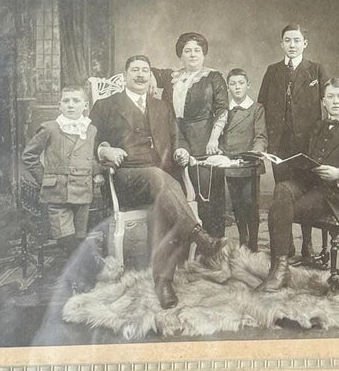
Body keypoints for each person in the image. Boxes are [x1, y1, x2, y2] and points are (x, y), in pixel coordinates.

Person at [91, 54, 221, 309]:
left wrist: (181, 151)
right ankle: (199, 235)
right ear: (125, 75)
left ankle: (163, 282)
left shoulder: (162, 106)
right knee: (160, 180)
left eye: (145, 71)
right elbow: (93, 142)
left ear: (150, 76)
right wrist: (104, 151)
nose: (140, 75)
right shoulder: (106, 105)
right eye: (135, 70)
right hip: (127, 176)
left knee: (163, 194)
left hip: (160, 178)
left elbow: (177, 138)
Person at [262, 77, 339, 291]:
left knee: (279, 211)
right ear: (323, 101)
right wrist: (291, 164)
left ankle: (279, 267)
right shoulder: (317, 127)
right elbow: (309, 162)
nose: (335, 101)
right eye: (331, 97)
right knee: (282, 190)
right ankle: (280, 266)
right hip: (314, 186)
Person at [157, 32, 228, 250]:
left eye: (197, 50)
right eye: (187, 51)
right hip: (175, 138)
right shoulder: (173, 78)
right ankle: (183, 247)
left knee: (206, 197)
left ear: (204, 53)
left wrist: (214, 139)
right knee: (178, 194)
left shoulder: (213, 77)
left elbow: (222, 109)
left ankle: (212, 247)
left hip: (204, 139)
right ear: (181, 54)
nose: (192, 54)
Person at [21, 84, 98, 250]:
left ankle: (80, 274)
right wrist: (45, 179)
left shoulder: (90, 130)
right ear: (60, 105)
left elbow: (90, 158)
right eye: (66, 101)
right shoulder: (50, 128)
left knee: (79, 240)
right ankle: (89, 269)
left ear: (85, 105)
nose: (70, 105)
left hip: (82, 192)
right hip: (56, 192)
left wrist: (99, 172)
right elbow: (29, 155)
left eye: (76, 101)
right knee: (66, 239)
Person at [257, 24, 328, 159]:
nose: (292, 45)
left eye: (297, 40)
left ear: (305, 43)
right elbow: (261, 104)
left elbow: (329, 101)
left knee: (306, 179)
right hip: (278, 141)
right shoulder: (272, 71)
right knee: (281, 180)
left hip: (308, 140)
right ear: (282, 44)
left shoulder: (316, 70)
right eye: (287, 40)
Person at [219, 67, 267, 250]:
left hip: (250, 164)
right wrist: (222, 154)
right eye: (232, 84)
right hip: (231, 164)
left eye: (240, 83)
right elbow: (221, 137)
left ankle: (253, 243)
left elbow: (261, 136)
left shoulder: (256, 108)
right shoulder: (224, 111)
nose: (237, 87)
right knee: (237, 205)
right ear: (228, 87)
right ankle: (242, 239)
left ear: (248, 85)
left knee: (250, 204)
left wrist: (255, 152)